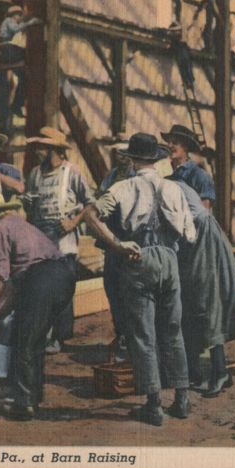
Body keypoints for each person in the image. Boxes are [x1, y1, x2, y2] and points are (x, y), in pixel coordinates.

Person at [84, 133, 196, 427]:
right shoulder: (174, 188)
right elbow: (190, 233)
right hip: (169, 259)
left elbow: (91, 215)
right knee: (173, 330)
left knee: (143, 334)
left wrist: (117, 245)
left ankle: (154, 404)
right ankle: (182, 399)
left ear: (131, 160)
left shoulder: (123, 187)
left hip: (138, 257)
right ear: (156, 160)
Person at [0, 193, 76, 421]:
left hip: (42, 279)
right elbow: (15, 289)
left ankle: (24, 403)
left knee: (23, 341)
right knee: (34, 339)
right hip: (63, 275)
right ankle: (32, 395)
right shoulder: (20, 224)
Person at [22, 126, 94, 354]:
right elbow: (30, 208)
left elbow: (90, 204)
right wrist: (27, 204)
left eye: (42, 147)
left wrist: (73, 222)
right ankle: (44, 336)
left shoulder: (72, 172)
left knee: (63, 289)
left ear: (54, 149)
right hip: (40, 241)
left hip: (64, 242)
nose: (37, 152)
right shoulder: (35, 174)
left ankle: (60, 338)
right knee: (41, 289)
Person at [172, 178, 235, 397]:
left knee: (207, 302)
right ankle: (195, 370)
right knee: (189, 302)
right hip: (193, 239)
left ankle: (219, 371)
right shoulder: (165, 185)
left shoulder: (166, 187)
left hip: (204, 240)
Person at [96, 140, 137, 355]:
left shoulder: (136, 176)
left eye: (125, 152)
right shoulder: (111, 176)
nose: (121, 156)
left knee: (130, 291)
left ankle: (132, 339)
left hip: (130, 240)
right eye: (118, 152)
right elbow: (101, 198)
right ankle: (121, 333)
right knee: (112, 288)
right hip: (112, 242)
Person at [0, 5, 42, 131]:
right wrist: (31, 22)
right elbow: (16, 29)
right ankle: (16, 105)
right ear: (13, 15)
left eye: (20, 16)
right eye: (18, 15)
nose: (19, 18)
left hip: (9, 50)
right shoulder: (8, 21)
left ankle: (17, 104)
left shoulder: (11, 23)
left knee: (24, 78)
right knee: (28, 54)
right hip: (7, 49)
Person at [162, 124, 215, 209]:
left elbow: (204, 212)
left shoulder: (200, 176)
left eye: (175, 142)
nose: (169, 145)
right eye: (169, 142)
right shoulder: (166, 173)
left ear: (185, 147)